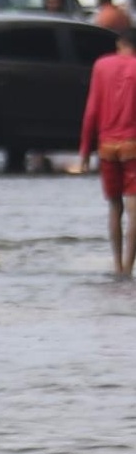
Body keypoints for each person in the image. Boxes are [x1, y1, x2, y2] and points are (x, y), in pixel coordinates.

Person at [81, 16, 136, 277]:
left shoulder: (101, 66)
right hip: (133, 145)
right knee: (135, 210)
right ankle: (128, 267)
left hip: (106, 146)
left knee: (114, 207)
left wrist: (83, 152)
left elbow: (91, 111)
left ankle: (116, 265)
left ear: (119, 44)